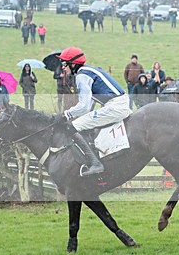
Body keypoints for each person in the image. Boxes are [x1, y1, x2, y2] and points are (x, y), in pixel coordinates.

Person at [53, 47, 131, 176]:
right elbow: (88, 105)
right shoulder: (87, 70)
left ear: (73, 64)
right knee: (82, 122)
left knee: (72, 127)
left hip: (115, 106)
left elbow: (84, 106)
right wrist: (73, 115)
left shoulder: (81, 76)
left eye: (65, 64)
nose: (63, 67)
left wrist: (66, 115)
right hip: (118, 103)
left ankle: (95, 163)